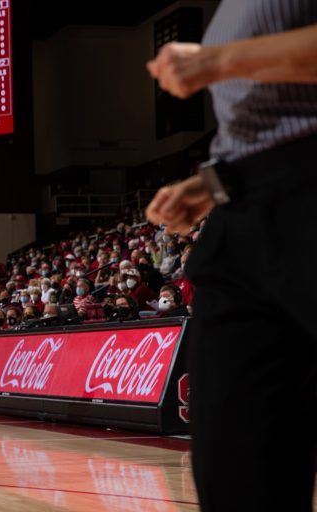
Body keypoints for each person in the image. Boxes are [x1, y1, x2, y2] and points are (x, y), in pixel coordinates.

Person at [146, 2, 317, 509]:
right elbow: (271, 125)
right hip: (241, 214)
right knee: (233, 464)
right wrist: (210, 185)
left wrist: (219, 61)